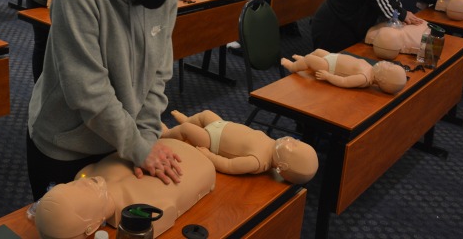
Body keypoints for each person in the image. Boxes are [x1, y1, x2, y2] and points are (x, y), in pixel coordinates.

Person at [26, 0, 200, 201]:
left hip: (119, 142)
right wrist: (138, 147)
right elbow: (88, 91)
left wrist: (143, 139)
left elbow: (158, 72)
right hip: (66, 146)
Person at [33, 138, 215, 239]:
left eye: (69, 186)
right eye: (78, 196)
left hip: (162, 145)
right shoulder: (143, 214)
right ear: (92, 227)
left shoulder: (86, 173)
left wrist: (142, 140)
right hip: (198, 161)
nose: (82, 183)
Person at [161, 110, 319, 183]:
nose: (291, 139)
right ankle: (188, 120)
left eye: (293, 146)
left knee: (187, 131)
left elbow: (228, 165)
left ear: (282, 165)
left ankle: (165, 136)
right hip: (220, 124)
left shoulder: (257, 162)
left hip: (212, 140)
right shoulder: (272, 145)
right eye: (297, 141)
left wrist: (208, 155)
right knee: (205, 115)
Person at [281, 49, 408, 94]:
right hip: (333, 57)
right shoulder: (371, 69)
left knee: (309, 59)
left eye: (389, 67)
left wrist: (328, 76)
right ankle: (303, 63)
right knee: (318, 52)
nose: (387, 63)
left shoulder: (364, 78)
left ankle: (293, 67)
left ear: (382, 79)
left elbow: (344, 81)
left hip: (329, 67)